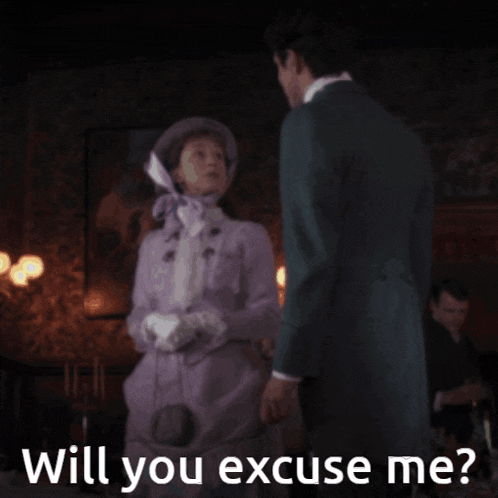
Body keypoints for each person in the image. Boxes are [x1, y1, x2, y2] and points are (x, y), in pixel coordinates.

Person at [260, 9, 434, 497]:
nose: (281, 83)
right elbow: (419, 262)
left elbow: (311, 260)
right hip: (404, 366)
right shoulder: (404, 136)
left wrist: (285, 371)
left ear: (292, 60)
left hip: (342, 364)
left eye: (278, 70)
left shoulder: (307, 123)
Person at [123, 117, 286, 498]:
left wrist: (211, 322)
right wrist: (152, 325)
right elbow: (136, 318)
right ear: (176, 173)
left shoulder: (248, 236)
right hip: (155, 392)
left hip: (228, 393)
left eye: (219, 157)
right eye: (199, 154)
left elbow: (268, 315)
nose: (213, 161)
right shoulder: (152, 245)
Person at [426, 279, 493, 454]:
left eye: (462, 312)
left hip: (465, 429)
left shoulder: (465, 341)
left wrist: (481, 390)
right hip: (433, 431)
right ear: (433, 306)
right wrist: (444, 397)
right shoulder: (420, 339)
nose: (457, 318)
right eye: (450, 311)